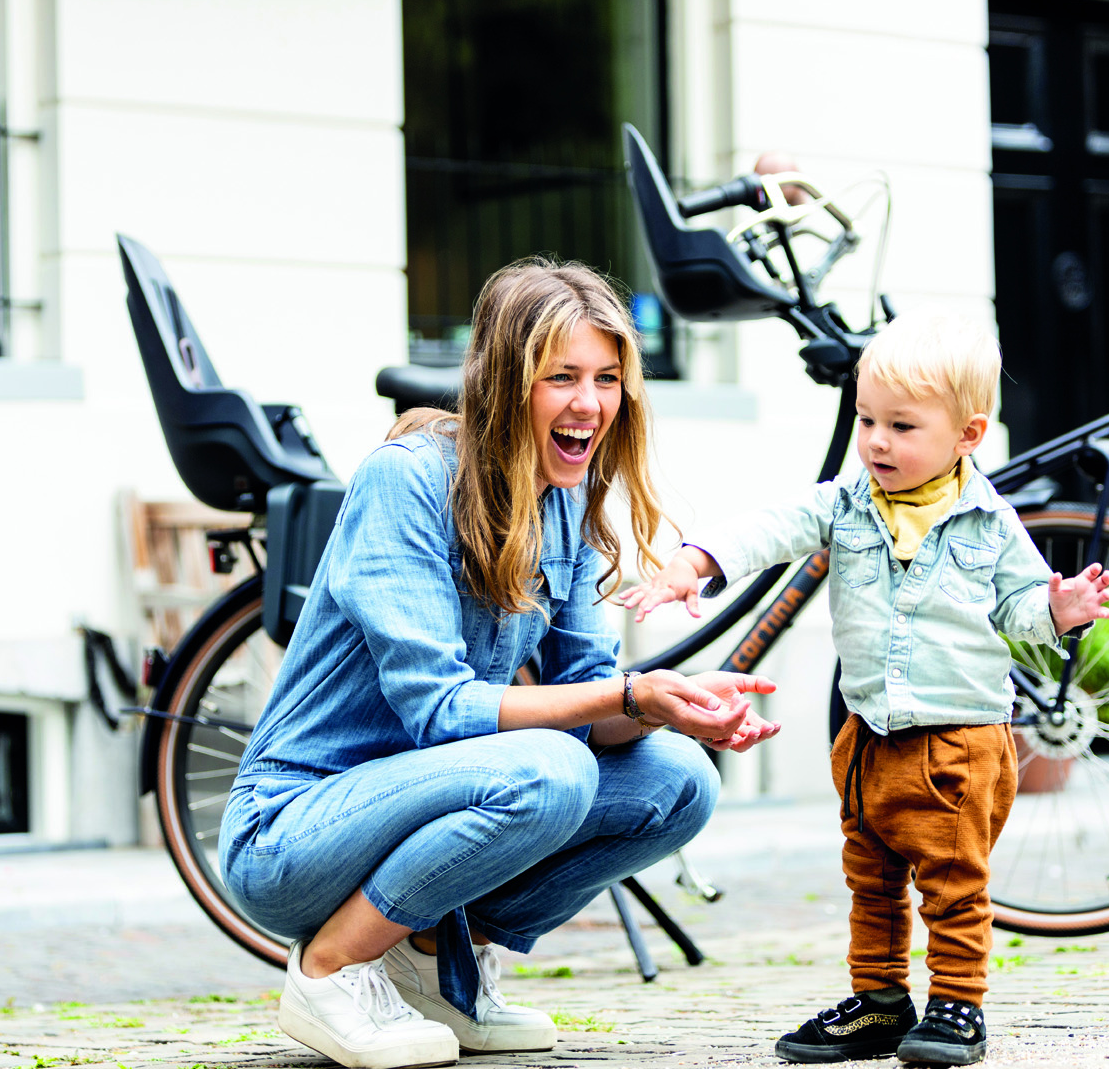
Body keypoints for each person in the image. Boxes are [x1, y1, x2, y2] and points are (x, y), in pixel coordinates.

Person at [218, 257, 781, 1069]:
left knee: (678, 780)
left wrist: (666, 704)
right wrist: (624, 693)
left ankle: (432, 967)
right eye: (562, 377)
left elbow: (592, 703)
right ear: (505, 383)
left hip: (435, 801)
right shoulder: (405, 482)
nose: (590, 404)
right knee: (549, 769)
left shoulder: (569, 505)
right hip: (294, 833)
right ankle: (332, 968)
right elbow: (442, 713)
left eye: (607, 379)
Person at [620, 314, 1109, 1066]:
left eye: (902, 426)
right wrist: (699, 560)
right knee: (872, 876)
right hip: (868, 735)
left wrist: (1059, 608)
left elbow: (1019, 607)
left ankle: (957, 1006)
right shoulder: (848, 503)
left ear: (968, 435)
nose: (877, 440)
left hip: (959, 739)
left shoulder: (990, 525)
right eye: (867, 419)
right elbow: (775, 527)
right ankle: (881, 1002)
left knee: (953, 882)